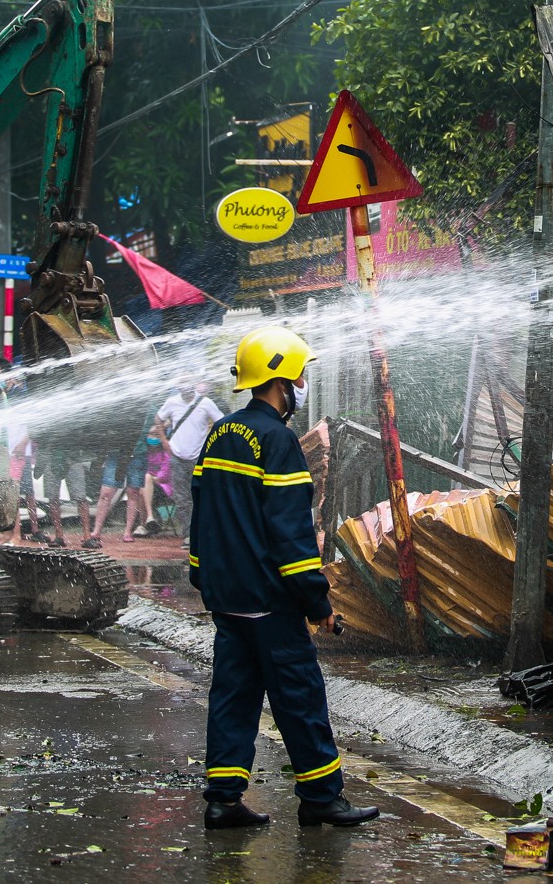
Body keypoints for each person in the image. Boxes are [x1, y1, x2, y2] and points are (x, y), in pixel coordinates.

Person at [191, 325, 377, 831]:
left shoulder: (220, 433)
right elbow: (292, 538)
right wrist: (317, 603)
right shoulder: (278, 441)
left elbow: (201, 514)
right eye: (297, 374)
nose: (301, 382)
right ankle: (321, 798)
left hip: (227, 598)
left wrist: (202, 576)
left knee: (233, 696)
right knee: (299, 697)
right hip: (270, 601)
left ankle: (223, 800)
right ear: (279, 381)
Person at [156, 377, 223, 544]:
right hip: (177, 457)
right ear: (178, 387)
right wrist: (164, 440)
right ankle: (188, 534)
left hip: (199, 458)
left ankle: (205, 533)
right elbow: (158, 419)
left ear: (193, 386)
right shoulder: (172, 402)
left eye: (187, 384)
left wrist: (212, 442)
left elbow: (221, 422)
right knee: (181, 498)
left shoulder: (206, 403)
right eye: (182, 384)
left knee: (201, 495)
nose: (185, 387)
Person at [87, 430, 163, 547]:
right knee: (106, 493)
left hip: (138, 454)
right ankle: (96, 530)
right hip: (116, 452)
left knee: (133, 493)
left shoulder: (149, 413)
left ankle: (128, 531)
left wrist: (153, 434)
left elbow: (154, 435)